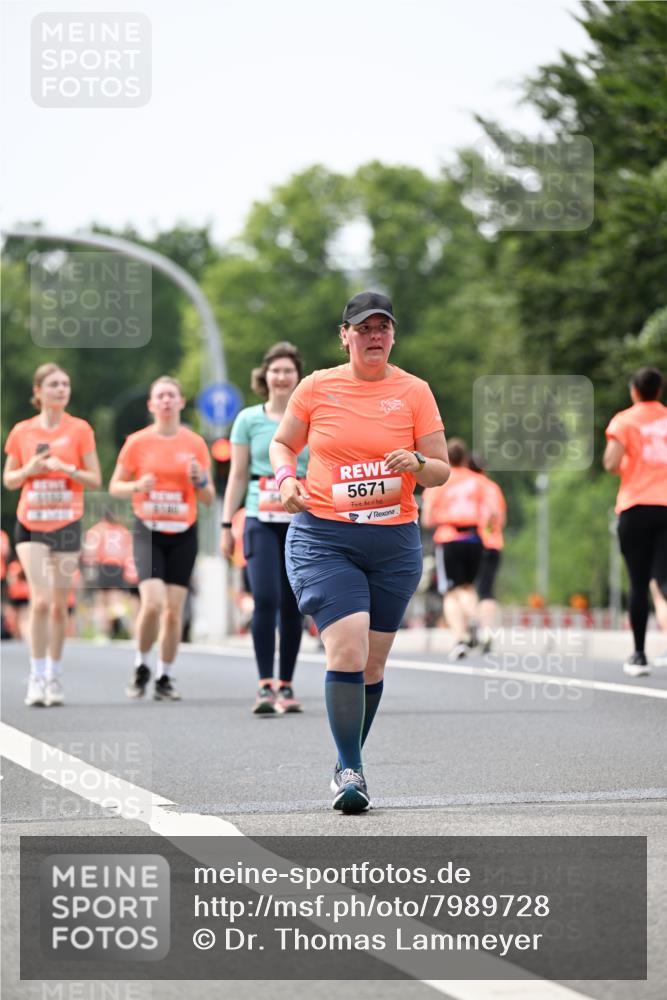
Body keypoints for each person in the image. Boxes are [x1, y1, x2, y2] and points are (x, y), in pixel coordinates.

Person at [270, 291, 449, 813]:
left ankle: (347, 758)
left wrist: (417, 462)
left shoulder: (414, 391)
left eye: (382, 327)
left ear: (393, 336)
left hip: (393, 542)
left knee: (371, 665)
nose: (374, 336)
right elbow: (283, 444)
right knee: (347, 648)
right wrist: (286, 480)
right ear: (344, 335)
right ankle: (351, 770)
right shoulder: (316, 386)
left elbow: (441, 469)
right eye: (364, 328)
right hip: (324, 536)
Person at [109, 376, 214, 700]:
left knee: (173, 611)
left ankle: (164, 675)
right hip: (148, 530)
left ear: (181, 402)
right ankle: (141, 665)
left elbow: (209, 498)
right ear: (152, 405)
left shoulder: (195, 443)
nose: (166, 400)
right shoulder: (137, 442)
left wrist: (200, 481)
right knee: (153, 603)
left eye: (171, 395)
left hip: (183, 531)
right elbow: (115, 486)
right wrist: (136, 486)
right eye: (160, 396)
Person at [3, 363, 101, 705]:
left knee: (60, 606)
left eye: (65, 384)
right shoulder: (22, 432)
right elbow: (9, 480)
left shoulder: (80, 429)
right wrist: (30, 469)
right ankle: (36, 675)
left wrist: (69, 469)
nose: (61, 389)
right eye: (54, 384)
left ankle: (54, 675)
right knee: (41, 601)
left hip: (66, 524)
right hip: (31, 522)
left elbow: (95, 479)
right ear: (38, 391)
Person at [221, 342, 308, 714]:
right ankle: (264, 686)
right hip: (260, 519)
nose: (282, 377)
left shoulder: (310, 418)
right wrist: (226, 523)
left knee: (293, 603)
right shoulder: (247, 420)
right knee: (266, 598)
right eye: (276, 370)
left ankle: (286, 684)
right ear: (265, 376)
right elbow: (238, 475)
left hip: (302, 520)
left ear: (298, 376)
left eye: (288, 370)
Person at [604, 365, 667, 676]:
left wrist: (631, 462)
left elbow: (611, 463)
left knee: (638, 582)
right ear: (659, 391)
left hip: (636, 506)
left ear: (634, 391)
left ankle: (639, 655)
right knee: (664, 580)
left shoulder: (624, 420)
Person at [422, 439, 487, 661]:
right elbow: (491, 514)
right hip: (474, 537)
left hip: (449, 536)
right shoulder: (478, 481)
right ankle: (476, 619)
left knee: (450, 591)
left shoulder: (439, 480)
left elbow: (427, 518)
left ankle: (459, 640)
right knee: (467, 587)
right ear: (466, 457)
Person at [468, 453, 507, 654]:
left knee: (466, 588)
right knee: (487, 591)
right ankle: (488, 631)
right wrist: (490, 530)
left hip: (471, 541)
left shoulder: (467, 486)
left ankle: (472, 626)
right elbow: (500, 517)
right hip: (493, 543)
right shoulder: (493, 488)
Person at [81, 509, 134, 640]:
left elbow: (89, 551)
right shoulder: (123, 531)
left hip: (102, 566)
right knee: (115, 600)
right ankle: (118, 628)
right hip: (118, 567)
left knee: (101, 601)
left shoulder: (97, 529)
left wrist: (88, 570)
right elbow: (129, 552)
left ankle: (104, 631)